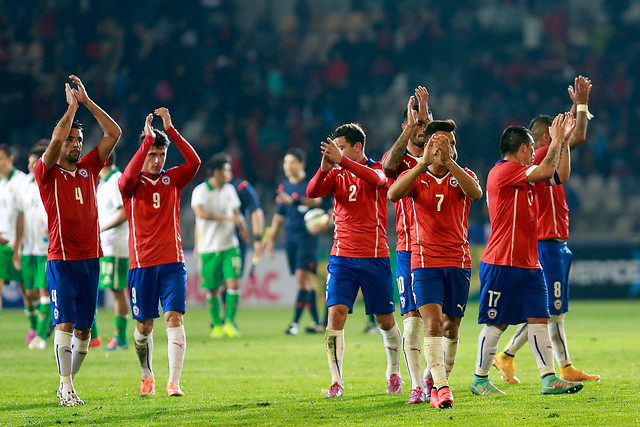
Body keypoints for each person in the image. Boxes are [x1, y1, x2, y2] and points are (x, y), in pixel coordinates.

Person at [493, 76, 599, 383]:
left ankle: (514, 356)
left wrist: (575, 110)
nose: (559, 133)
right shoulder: (539, 156)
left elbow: (570, 138)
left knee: (554, 310)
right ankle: (530, 360)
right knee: (550, 310)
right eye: (553, 130)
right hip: (546, 243)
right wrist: (580, 106)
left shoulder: (549, 158)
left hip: (556, 243)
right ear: (541, 138)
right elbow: (575, 137)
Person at [470, 113, 585, 396]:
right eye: (532, 148)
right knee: (497, 322)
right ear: (522, 148)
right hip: (502, 262)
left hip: (530, 263)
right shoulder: (504, 171)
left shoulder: (526, 176)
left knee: (539, 319)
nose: (534, 153)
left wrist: (564, 143)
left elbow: (560, 175)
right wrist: (557, 142)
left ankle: (548, 378)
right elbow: (547, 170)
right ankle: (479, 378)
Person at [35, 75, 122, 406]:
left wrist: (86, 103)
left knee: (85, 332)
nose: (76, 143)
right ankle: (66, 385)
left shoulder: (88, 168)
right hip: (61, 259)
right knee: (65, 323)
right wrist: (70, 109)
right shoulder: (47, 174)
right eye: (71, 139)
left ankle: (68, 381)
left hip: (90, 258)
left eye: (79, 139)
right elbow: (55, 140)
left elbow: (114, 133)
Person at [389, 120, 482, 408]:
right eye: (439, 142)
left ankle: (434, 378)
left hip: (458, 261)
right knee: (431, 323)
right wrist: (421, 163)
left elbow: (476, 193)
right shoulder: (414, 176)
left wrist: (450, 162)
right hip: (424, 261)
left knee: (451, 328)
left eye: (451, 143)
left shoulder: (464, 175)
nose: (445, 148)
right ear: (427, 146)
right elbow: (393, 194)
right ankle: (441, 388)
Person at [307, 123, 402, 398]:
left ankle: (394, 373)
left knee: (385, 320)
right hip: (341, 257)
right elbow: (312, 192)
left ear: (357, 146)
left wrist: (343, 161)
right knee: (335, 316)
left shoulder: (377, 167)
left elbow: (378, 181)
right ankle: (336, 381)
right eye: (335, 147)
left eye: (342, 146)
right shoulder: (336, 172)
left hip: (375, 256)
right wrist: (325, 167)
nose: (337, 151)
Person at [119, 108, 200, 398]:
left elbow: (195, 161)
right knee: (144, 326)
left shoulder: (174, 179)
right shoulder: (130, 184)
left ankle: (173, 382)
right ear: (143, 153)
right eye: (152, 154)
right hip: (142, 265)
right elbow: (127, 177)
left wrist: (171, 129)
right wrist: (146, 141)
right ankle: (146, 374)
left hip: (173, 263)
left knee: (174, 318)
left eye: (161, 155)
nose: (156, 161)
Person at [381, 87, 431, 403]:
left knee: (443, 324)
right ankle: (417, 384)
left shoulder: (441, 156)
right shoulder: (398, 161)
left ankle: (431, 377)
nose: (423, 130)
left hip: (440, 250)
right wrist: (411, 127)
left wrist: (425, 113)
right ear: (405, 127)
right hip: (407, 249)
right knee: (411, 320)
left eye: (427, 125)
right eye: (417, 125)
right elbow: (387, 168)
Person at [265, 148, 325, 335]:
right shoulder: (283, 187)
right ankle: (317, 322)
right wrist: (271, 239)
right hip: (290, 238)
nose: (287, 166)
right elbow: (279, 215)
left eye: (291, 162)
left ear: (301, 164)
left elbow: (317, 201)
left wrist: (295, 201)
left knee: (302, 278)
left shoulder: (310, 184)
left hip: (307, 237)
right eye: (285, 162)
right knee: (305, 281)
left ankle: (295, 323)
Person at [191, 153, 248, 339]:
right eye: (227, 169)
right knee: (212, 289)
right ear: (216, 172)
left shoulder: (230, 190)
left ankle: (230, 323)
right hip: (208, 247)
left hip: (229, 245)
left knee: (233, 283)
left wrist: (243, 226)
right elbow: (201, 213)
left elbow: (237, 212)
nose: (230, 173)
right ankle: (216, 325)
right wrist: (228, 219)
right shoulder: (200, 191)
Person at [13, 144, 51, 350]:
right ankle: (39, 327)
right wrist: (18, 243)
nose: (29, 167)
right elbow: (20, 215)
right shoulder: (26, 185)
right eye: (28, 163)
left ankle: (41, 335)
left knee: (43, 290)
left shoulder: (50, 182)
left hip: (45, 249)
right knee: (30, 293)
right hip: (28, 247)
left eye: (33, 163)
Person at [96, 153, 130, 351]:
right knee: (115, 290)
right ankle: (120, 336)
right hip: (107, 245)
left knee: (117, 290)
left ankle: (121, 337)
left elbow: (123, 212)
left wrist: (100, 229)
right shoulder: (104, 183)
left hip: (116, 244)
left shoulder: (116, 180)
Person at [0, 145, 27, 327]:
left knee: (29, 291)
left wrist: (19, 241)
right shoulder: (0, 183)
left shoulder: (22, 181)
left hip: (21, 244)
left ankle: (37, 325)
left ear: (10, 159)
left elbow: (25, 214)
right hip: (1, 244)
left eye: (1, 159)